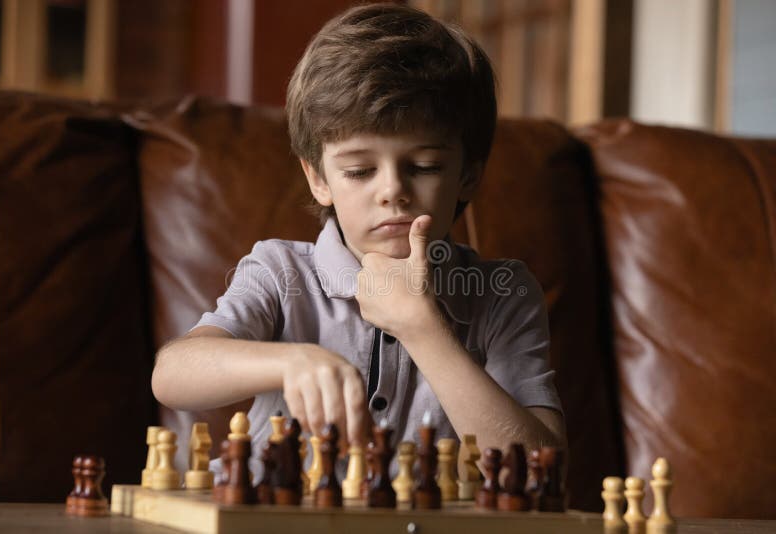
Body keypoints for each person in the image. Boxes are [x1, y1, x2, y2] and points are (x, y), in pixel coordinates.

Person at [152, 3, 565, 478]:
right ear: (319, 179)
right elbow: (172, 375)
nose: (391, 190)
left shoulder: (502, 294)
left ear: (468, 175)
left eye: (424, 166)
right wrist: (291, 362)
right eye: (359, 170)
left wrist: (422, 329)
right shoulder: (280, 272)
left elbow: (541, 472)